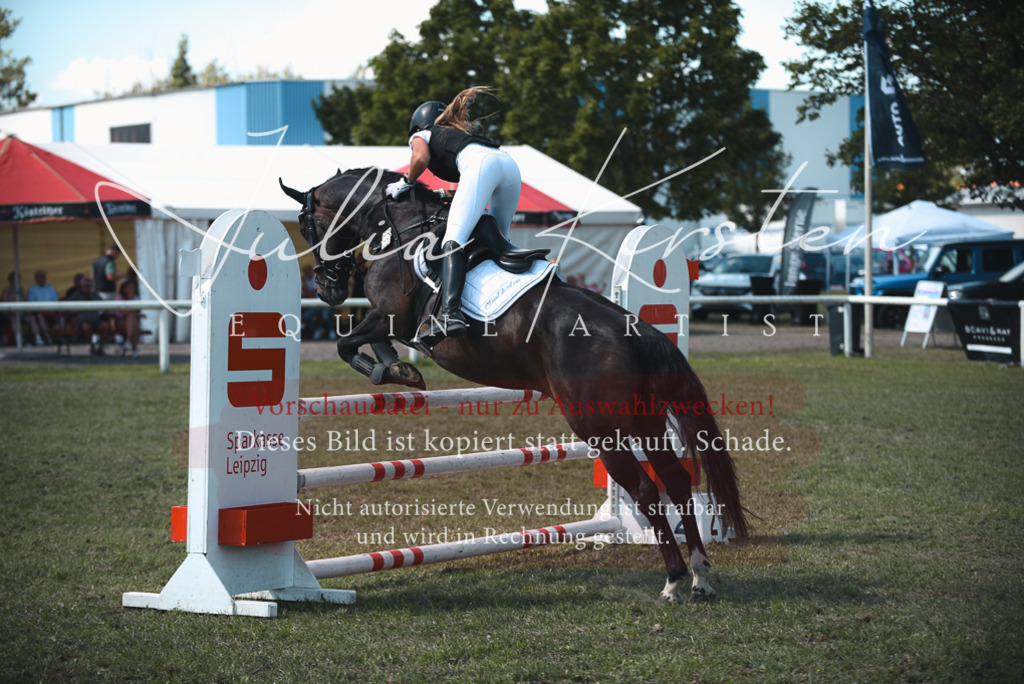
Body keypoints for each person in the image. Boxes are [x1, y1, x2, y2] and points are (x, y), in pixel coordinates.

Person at [386, 86, 523, 344]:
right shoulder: (456, 135)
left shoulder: (421, 134)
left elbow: (421, 157)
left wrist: (406, 181)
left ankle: (450, 314)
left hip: (484, 166)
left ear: (417, 126)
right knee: (499, 241)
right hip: (508, 166)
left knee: (453, 241)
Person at [26, 269, 60, 346]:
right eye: (40, 277)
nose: (41, 278)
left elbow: (57, 301)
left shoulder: (51, 288)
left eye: (43, 276)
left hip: (52, 312)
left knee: (61, 316)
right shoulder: (32, 289)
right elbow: (31, 304)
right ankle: (47, 338)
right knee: (39, 316)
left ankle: (60, 337)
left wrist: (52, 310)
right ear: (36, 278)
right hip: (38, 313)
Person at [114, 280, 143, 357]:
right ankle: (134, 348)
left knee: (133, 322)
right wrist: (136, 314)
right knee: (133, 321)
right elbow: (123, 312)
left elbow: (135, 311)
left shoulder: (135, 298)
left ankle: (127, 341)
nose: (131, 290)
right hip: (120, 321)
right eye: (129, 288)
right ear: (124, 289)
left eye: (132, 288)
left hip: (130, 322)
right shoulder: (119, 297)